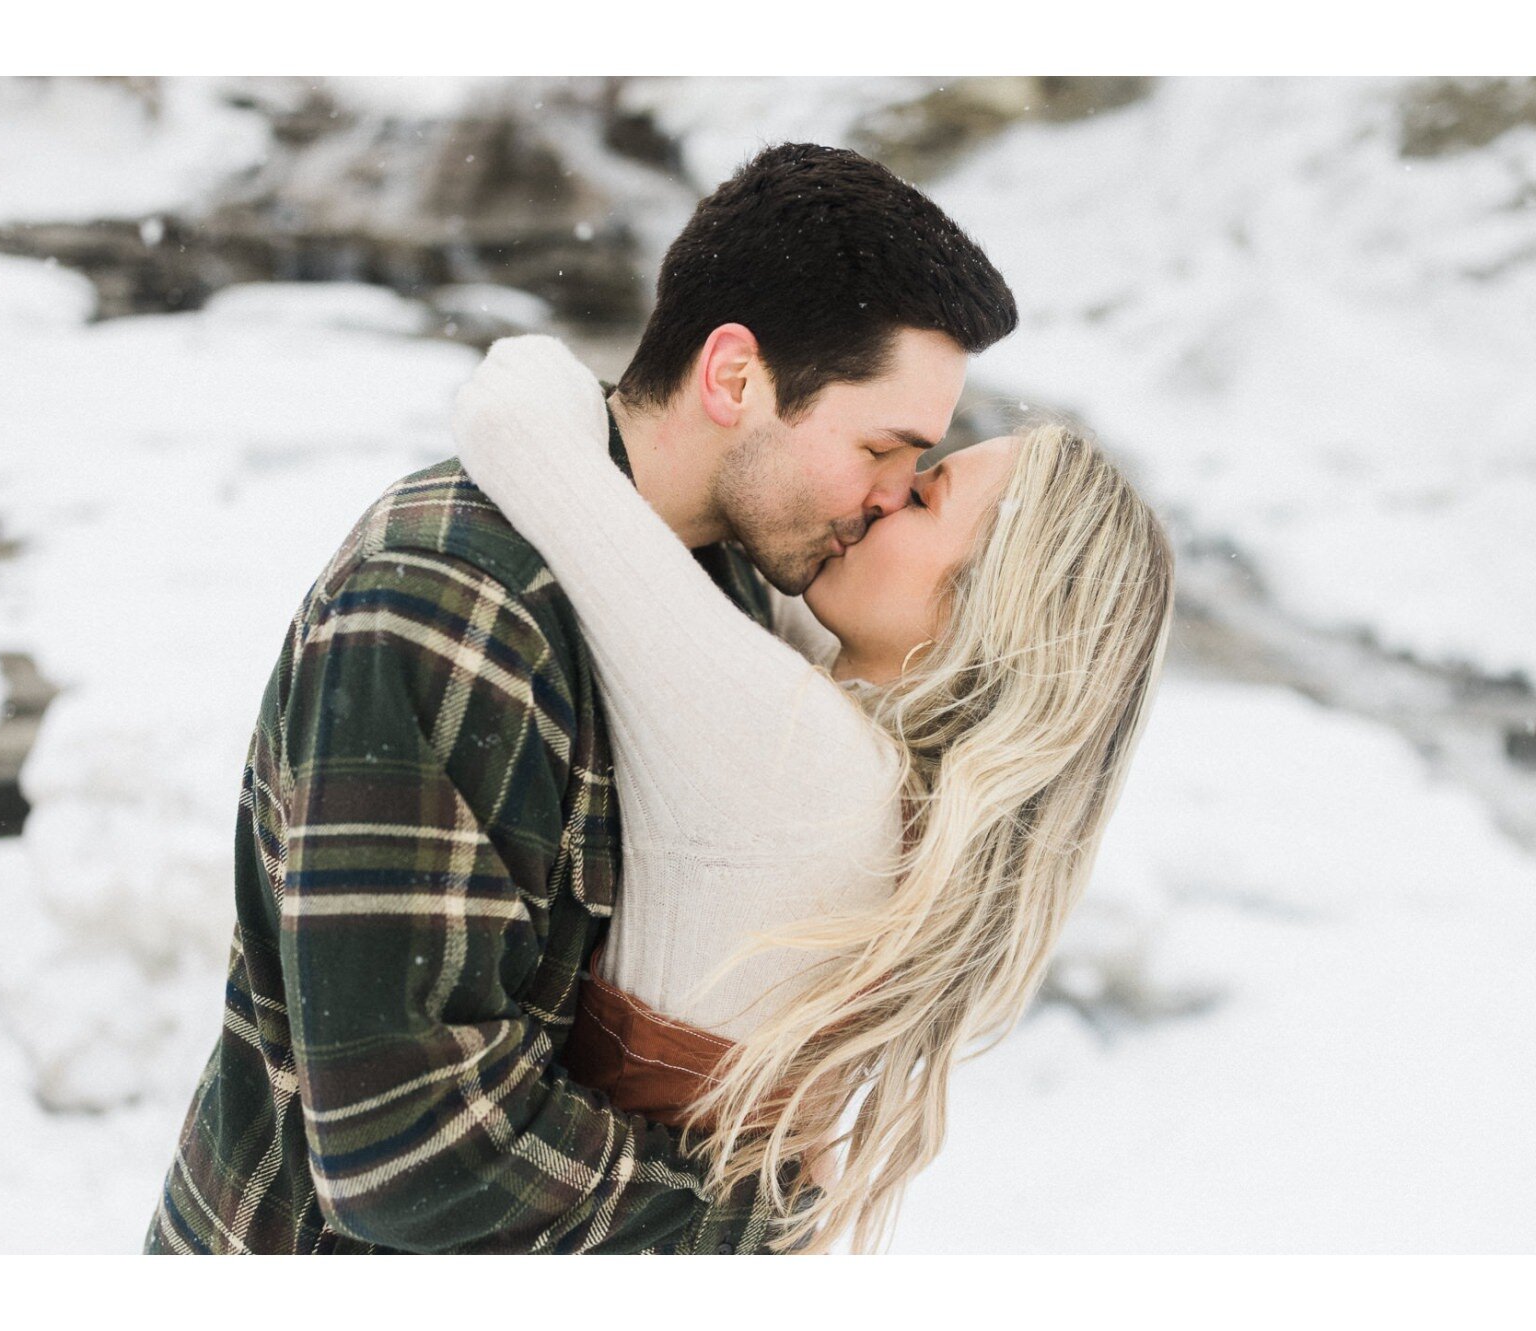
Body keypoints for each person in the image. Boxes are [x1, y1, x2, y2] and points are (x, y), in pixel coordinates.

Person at [144, 142, 1018, 1255]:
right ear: (735, 377)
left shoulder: (733, 594)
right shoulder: (442, 605)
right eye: (882, 448)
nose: (892, 499)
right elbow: (407, 1151)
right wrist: (755, 1213)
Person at [451, 333, 1174, 1255]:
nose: (881, 495)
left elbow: (514, 419)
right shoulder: (904, 789)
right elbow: (768, 588)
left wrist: (650, 380)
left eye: (922, 493)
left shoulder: (805, 767)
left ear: (990, 603)